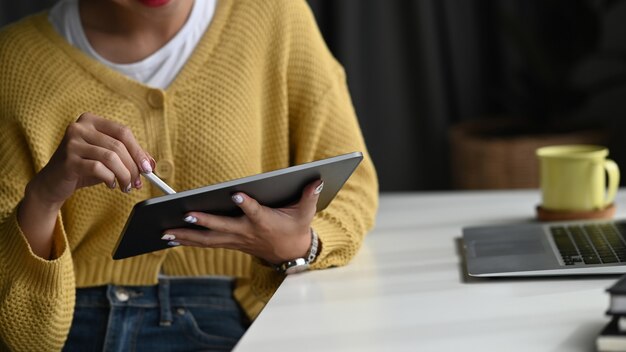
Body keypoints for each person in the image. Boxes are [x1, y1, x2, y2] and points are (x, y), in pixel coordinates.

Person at [0, 0, 378, 350]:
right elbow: (22, 333)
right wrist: (44, 197)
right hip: (73, 321)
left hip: (240, 317)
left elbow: (352, 186)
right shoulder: (14, 62)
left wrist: (300, 246)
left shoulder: (273, 16)